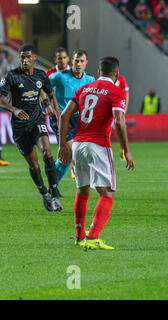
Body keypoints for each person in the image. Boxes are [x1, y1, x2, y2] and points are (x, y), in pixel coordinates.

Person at [58, 56, 135, 250]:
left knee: (83, 191)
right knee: (107, 192)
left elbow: (64, 115)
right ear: (116, 74)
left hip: (78, 145)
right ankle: (92, 238)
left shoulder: (84, 89)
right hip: (98, 145)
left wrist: (62, 145)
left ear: (98, 72)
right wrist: (126, 150)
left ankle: (79, 235)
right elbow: (119, 121)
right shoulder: (116, 91)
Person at [0, 44, 62, 211]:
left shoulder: (41, 75)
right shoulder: (12, 76)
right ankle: (44, 195)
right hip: (20, 127)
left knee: (47, 153)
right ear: (19, 58)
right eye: (22, 57)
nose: (25, 60)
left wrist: (51, 108)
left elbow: (48, 93)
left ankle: (55, 194)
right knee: (34, 165)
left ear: (34, 57)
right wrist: (14, 109)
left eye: (28, 57)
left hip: (37, 121)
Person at [49, 49, 96, 184]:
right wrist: (46, 103)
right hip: (62, 118)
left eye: (82, 61)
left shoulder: (90, 79)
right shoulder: (59, 76)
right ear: (72, 61)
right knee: (70, 150)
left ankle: (52, 184)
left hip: (78, 119)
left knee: (66, 157)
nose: (79, 64)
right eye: (76, 61)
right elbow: (42, 85)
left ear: (86, 63)